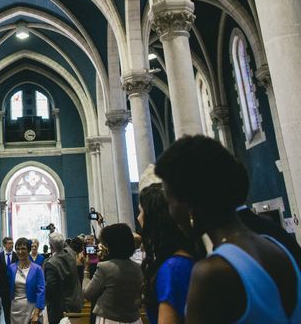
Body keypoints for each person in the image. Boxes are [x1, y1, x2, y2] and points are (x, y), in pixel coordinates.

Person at [155, 135, 301, 323]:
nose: (170, 212)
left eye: (169, 201)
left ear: (189, 203)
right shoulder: (276, 248)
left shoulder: (212, 273)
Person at [138, 182, 199, 324]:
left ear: (154, 217)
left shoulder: (172, 268)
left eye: (141, 211)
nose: (139, 217)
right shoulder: (186, 258)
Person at [82, 224, 143, 324]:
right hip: (134, 319)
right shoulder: (138, 268)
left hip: (110, 319)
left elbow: (88, 294)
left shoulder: (105, 268)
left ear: (110, 245)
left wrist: (86, 270)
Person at [43, 232, 83, 324]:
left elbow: (50, 287)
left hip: (59, 308)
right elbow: (65, 245)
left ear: (50, 246)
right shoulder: (72, 253)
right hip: (76, 303)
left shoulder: (50, 263)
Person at [7, 237, 45, 324]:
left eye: (23, 249)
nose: (20, 252)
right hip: (15, 308)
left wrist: (36, 312)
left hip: (31, 308)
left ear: (29, 250)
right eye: (18, 249)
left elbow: (41, 291)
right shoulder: (11, 268)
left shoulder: (37, 269)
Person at [0, 236, 18, 319]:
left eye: (12, 243)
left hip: (15, 287)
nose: (12, 245)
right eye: (9, 243)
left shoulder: (16, 256)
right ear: (4, 245)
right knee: (6, 309)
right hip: (3, 288)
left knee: (15, 310)